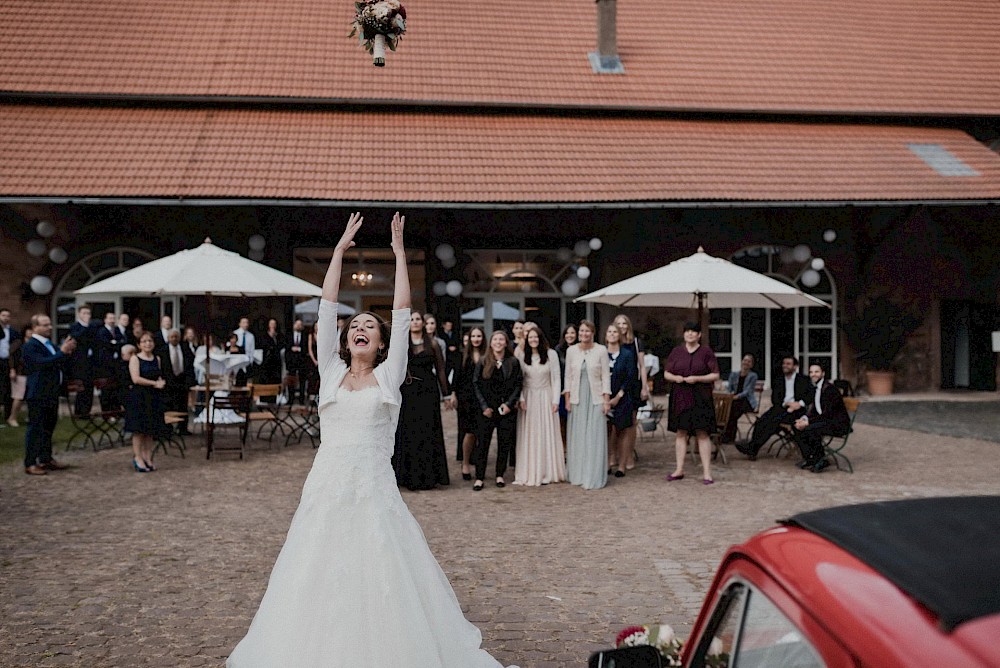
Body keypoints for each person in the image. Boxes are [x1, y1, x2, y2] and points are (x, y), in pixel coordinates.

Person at [227, 212, 513, 668]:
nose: (359, 328)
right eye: (354, 325)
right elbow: (325, 307)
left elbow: (402, 316)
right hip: (326, 485)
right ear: (345, 338)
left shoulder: (388, 378)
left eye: (369, 326)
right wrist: (338, 252)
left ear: (380, 343)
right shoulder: (331, 373)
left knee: (380, 569)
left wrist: (400, 255)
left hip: (374, 490)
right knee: (315, 568)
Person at [392, 310, 453, 491]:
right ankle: (407, 476)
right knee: (408, 432)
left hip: (428, 392)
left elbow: (441, 370)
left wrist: (447, 394)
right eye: (412, 319)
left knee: (427, 431)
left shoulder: (432, 343)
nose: (415, 322)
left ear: (423, 323)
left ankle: (429, 476)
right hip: (408, 391)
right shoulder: (402, 344)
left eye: (418, 319)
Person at [663, 322, 720, 485]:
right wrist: (676, 378)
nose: (690, 334)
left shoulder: (706, 352)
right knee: (681, 433)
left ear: (699, 335)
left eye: (693, 332)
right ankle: (679, 469)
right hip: (680, 397)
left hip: (701, 397)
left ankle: (707, 473)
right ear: (684, 335)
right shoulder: (676, 352)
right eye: (687, 331)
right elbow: (667, 373)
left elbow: (715, 374)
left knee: (702, 433)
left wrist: (697, 379)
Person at [22, 314, 76, 475]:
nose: (49, 327)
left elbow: (57, 362)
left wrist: (66, 353)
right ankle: (30, 462)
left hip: (51, 392)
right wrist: (62, 352)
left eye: (49, 324)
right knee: (35, 428)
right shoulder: (31, 345)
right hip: (38, 392)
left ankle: (45, 458)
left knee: (48, 428)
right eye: (45, 325)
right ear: (35, 327)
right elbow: (41, 364)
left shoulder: (49, 344)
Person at [735, 354, 812, 460]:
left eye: (788, 364)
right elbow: (774, 399)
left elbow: (810, 395)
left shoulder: (803, 379)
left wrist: (800, 404)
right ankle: (752, 447)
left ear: (795, 366)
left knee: (773, 422)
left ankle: (752, 449)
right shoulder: (779, 379)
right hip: (781, 407)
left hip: (797, 411)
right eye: (784, 364)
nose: (785, 366)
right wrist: (786, 404)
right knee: (761, 420)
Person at [514, 327, 565, 486]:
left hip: (546, 396)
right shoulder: (522, 355)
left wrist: (555, 400)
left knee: (546, 432)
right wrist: (521, 397)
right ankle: (530, 470)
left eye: (536, 337)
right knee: (530, 433)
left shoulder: (551, 354)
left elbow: (556, 379)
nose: (533, 340)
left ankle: (547, 470)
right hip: (529, 397)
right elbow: (519, 379)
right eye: (530, 338)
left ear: (541, 338)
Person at [471, 330, 522, 491]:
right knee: (483, 444)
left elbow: (518, 385)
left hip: (505, 410)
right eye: (495, 339)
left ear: (506, 343)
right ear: (491, 343)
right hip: (486, 410)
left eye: (501, 339)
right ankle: (479, 477)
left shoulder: (513, 362)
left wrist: (509, 404)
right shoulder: (483, 361)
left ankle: (500, 474)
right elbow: (476, 384)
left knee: (504, 443)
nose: (498, 342)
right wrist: (484, 406)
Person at [563, 320, 611, 490]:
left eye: (587, 331)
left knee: (594, 435)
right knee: (578, 436)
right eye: (581, 331)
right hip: (577, 397)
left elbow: (606, 376)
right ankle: (578, 473)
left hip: (596, 397)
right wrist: (567, 399)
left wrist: (606, 400)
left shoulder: (601, 350)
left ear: (593, 333)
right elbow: (568, 377)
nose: (584, 334)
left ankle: (594, 474)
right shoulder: (571, 351)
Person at [792, 364, 851, 472]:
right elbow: (814, 409)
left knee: (811, 429)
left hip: (837, 424)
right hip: (825, 421)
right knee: (797, 427)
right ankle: (810, 458)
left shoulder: (830, 389)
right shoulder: (816, 388)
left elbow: (828, 414)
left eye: (816, 372)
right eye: (811, 372)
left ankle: (821, 459)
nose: (813, 374)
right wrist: (804, 419)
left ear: (823, 373)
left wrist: (808, 422)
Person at [124, 331, 169, 472]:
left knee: (150, 430)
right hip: (139, 398)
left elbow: (159, 375)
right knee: (139, 430)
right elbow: (135, 378)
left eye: (149, 341)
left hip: (154, 398)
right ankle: (137, 457)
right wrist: (154, 383)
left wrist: (161, 382)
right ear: (139, 344)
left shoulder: (157, 359)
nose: (147, 344)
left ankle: (148, 456)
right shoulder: (135, 359)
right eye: (144, 341)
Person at [612, 314, 647, 470]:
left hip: (633, 386)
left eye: (624, 323)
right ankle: (613, 454)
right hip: (616, 385)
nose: (621, 326)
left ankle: (629, 455)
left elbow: (642, 366)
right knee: (614, 423)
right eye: (618, 323)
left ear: (629, 325)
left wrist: (645, 387)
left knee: (631, 422)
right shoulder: (613, 343)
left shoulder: (636, 343)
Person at [605, 324, 638, 478]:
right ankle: (606, 462)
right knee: (605, 431)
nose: (612, 334)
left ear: (619, 335)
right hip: (604, 397)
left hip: (623, 397)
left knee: (622, 431)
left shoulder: (627, 354)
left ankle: (622, 465)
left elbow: (631, 376)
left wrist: (618, 396)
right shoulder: (601, 353)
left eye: (615, 332)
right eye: (609, 332)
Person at [455, 326, 486, 480]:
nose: (476, 339)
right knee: (469, 433)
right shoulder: (462, 355)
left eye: (479, 336)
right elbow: (457, 378)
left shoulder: (487, 355)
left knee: (482, 433)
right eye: (473, 336)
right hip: (466, 399)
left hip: (483, 399)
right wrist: (453, 394)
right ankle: (465, 463)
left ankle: (480, 466)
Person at [721, 354, 759, 444]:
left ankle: (728, 437)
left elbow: (748, 391)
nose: (746, 362)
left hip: (746, 401)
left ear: (751, 365)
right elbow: (729, 388)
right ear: (742, 361)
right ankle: (724, 434)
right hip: (734, 400)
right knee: (726, 409)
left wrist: (737, 396)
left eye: (749, 361)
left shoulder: (753, 376)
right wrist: (730, 394)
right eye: (745, 360)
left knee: (733, 410)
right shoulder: (734, 374)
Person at [162, 329, 193, 435]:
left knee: (183, 405)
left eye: (176, 337)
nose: (174, 339)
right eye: (172, 337)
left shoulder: (185, 348)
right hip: (169, 382)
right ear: (168, 338)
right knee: (168, 405)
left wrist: (189, 381)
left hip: (182, 381)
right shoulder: (163, 350)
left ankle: (183, 428)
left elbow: (189, 365)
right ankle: (168, 429)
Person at [68, 304, 98, 416]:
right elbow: (76, 337)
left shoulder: (93, 327)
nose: (87, 315)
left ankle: (86, 411)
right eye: (84, 313)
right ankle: (79, 411)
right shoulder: (75, 326)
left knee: (90, 387)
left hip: (91, 361)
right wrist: (85, 326)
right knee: (81, 387)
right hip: (80, 362)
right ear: (79, 314)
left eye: (88, 313)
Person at [95, 311, 123, 411]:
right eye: (110, 318)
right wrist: (114, 343)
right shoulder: (102, 331)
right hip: (105, 365)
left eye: (113, 318)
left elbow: (122, 341)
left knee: (115, 388)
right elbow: (105, 344)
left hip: (115, 365)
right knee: (106, 389)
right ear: (105, 320)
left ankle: (115, 410)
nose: (112, 320)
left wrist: (115, 343)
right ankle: (106, 411)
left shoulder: (116, 330)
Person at [554, 324, 577, 449]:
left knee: (576, 422)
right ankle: (564, 449)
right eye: (567, 333)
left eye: (572, 333)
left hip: (577, 390)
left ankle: (575, 448)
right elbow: (557, 372)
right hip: (562, 392)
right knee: (562, 422)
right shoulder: (558, 350)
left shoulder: (581, 349)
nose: (570, 335)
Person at [7, 327, 32, 427]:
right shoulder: (19, 343)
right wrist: (12, 369)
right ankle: (12, 417)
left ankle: (29, 417)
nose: (30, 333)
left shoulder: (34, 344)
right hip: (20, 373)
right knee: (19, 396)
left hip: (31, 373)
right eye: (29, 331)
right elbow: (11, 355)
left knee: (30, 397)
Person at [284, 318, 309, 405]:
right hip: (291, 362)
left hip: (302, 361)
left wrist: (300, 349)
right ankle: (290, 399)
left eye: (300, 324)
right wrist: (291, 348)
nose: (298, 326)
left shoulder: (305, 335)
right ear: (294, 325)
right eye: (297, 324)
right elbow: (286, 348)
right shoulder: (289, 335)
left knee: (302, 381)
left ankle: (301, 400)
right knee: (291, 381)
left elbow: (307, 348)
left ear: (302, 327)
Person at [258, 318, 283, 389]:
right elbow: (263, 345)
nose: (273, 325)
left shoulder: (279, 335)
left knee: (275, 380)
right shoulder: (264, 335)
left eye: (274, 324)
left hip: (276, 361)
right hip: (267, 361)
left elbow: (281, 345)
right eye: (271, 324)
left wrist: (274, 336)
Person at [0, 307, 14, 424]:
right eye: (3, 315)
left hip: (7, 362)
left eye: (7, 316)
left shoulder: (12, 331)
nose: (6, 318)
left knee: (7, 389)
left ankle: (8, 415)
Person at [233, 316, 256, 386]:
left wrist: (250, 361)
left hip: (247, 360)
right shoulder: (235, 333)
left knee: (246, 380)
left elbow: (252, 350)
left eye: (247, 323)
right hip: (237, 360)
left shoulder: (251, 336)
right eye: (243, 322)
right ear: (240, 324)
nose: (245, 324)